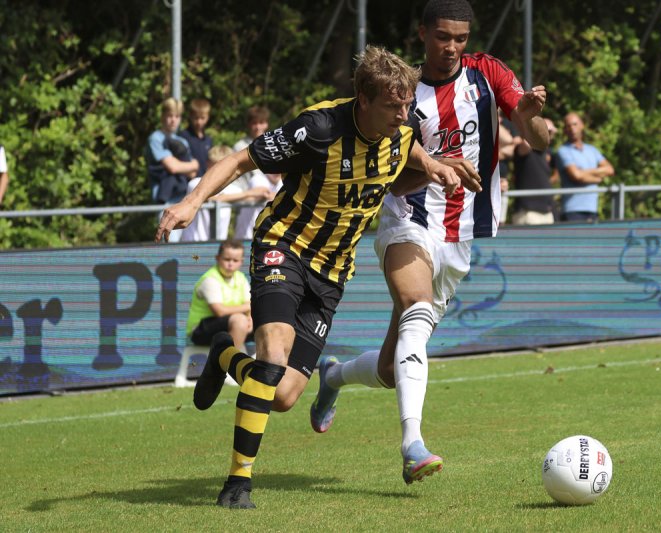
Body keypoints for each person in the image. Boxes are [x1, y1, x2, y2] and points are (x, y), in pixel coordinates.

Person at [154, 45, 479, 509]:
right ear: (363, 100)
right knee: (272, 352)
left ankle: (224, 355)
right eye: (393, 105)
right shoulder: (319, 128)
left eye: (407, 105)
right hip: (284, 246)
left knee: (284, 394)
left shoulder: (401, 130)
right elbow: (241, 160)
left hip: (332, 273)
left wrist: (435, 168)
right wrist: (191, 202)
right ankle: (238, 483)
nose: (403, 115)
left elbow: (410, 155)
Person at [309, 0, 548, 486]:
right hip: (408, 220)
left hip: (461, 235)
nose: (452, 47)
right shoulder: (402, 95)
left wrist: (527, 118)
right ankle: (412, 446)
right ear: (423, 34)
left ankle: (332, 375)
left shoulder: (488, 74)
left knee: (390, 368)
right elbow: (393, 181)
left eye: (460, 38)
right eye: (443, 37)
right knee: (416, 309)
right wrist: (436, 169)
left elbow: (540, 141)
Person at [180, 145, 272, 242]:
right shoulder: (195, 183)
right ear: (207, 163)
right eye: (214, 165)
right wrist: (249, 193)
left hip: (218, 243)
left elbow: (251, 200)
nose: (218, 171)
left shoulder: (234, 189)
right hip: (192, 242)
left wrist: (263, 194)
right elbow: (211, 198)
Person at [145, 98, 199, 242]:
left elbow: (193, 173)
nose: (173, 120)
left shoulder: (182, 141)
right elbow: (173, 167)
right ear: (162, 116)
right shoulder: (156, 138)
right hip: (166, 202)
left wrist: (191, 167)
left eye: (177, 116)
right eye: (170, 115)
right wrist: (192, 164)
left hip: (184, 201)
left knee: (188, 246)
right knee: (169, 245)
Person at [186, 239, 253, 350]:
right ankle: (230, 360)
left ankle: (265, 360)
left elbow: (249, 305)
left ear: (241, 262)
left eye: (235, 260)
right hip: (199, 330)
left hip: (229, 324)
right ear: (217, 258)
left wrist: (250, 318)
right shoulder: (210, 279)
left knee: (268, 321)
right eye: (227, 259)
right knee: (240, 321)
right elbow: (219, 311)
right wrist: (247, 309)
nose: (230, 264)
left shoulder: (241, 278)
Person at [232, 106, 283, 240]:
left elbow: (278, 173)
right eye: (254, 123)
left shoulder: (274, 143)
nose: (258, 127)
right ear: (249, 124)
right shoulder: (240, 146)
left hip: (270, 195)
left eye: (261, 122)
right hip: (249, 196)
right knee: (257, 182)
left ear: (266, 124)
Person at [554, 112, 614, 223]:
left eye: (575, 124)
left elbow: (610, 170)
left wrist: (584, 173)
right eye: (568, 126)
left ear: (582, 125)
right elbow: (576, 176)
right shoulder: (563, 151)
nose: (572, 129)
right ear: (565, 130)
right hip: (572, 211)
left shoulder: (592, 150)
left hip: (592, 210)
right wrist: (597, 179)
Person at [510, 117, 559, 225]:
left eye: (550, 132)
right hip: (528, 212)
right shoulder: (524, 148)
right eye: (546, 131)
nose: (548, 135)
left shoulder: (549, 153)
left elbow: (556, 173)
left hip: (547, 211)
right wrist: (532, 126)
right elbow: (526, 144)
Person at [179, 98, 214, 178]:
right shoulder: (183, 137)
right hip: (188, 182)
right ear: (190, 116)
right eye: (196, 118)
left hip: (205, 181)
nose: (199, 122)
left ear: (208, 117)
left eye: (202, 118)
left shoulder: (208, 140)